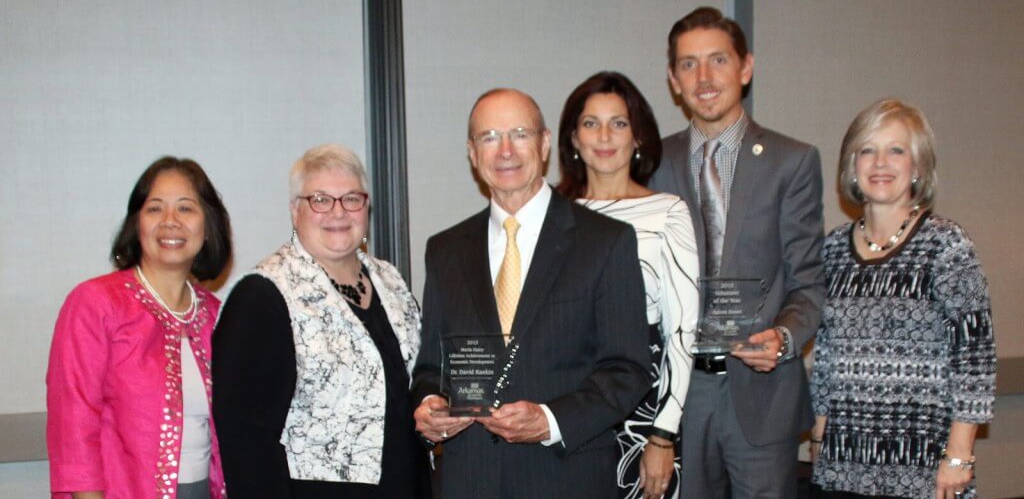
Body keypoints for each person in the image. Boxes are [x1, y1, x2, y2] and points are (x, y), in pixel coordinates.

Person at [411, 88, 650, 498]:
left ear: (543, 146)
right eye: (489, 137)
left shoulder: (605, 241)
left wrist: (550, 419)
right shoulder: (445, 249)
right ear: (472, 152)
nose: (505, 150)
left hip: (566, 477)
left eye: (519, 133)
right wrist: (430, 403)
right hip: (471, 480)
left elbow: (628, 369)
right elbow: (432, 366)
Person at [647, 7, 826, 498]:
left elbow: (808, 282)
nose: (704, 78)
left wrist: (785, 339)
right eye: (688, 64)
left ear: (745, 68)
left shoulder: (792, 162)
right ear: (673, 79)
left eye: (718, 60)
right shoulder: (649, 164)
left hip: (761, 394)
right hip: (681, 398)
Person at [212, 144, 429, 498]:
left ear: (367, 206)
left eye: (351, 199)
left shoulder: (391, 281)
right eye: (321, 200)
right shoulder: (263, 296)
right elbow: (244, 439)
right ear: (295, 210)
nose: (338, 212)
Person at [810, 99, 996, 499]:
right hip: (845, 463)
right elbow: (826, 351)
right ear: (851, 166)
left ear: (918, 167)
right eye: (868, 150)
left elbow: (975, 357)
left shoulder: (946, 245)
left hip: (925, 467)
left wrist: (959, 455)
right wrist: (820, 431)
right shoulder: (832, 250)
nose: (880, 163)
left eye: (896, 150)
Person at [47, 157, 232, 499]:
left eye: (186, 209)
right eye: (155, 209)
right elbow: (73, 424)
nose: (170, 222)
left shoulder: (217, 315)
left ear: (207, 228)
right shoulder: (96, 303)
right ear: (136, 224)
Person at [556, 71, 699, 499]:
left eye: (618, 123)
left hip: (642, 414)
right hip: (563, 410)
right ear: (573, 139)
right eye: (590, 123)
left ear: (638, 137)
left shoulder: (667, 212)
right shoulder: (550, 217)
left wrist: (663, 436)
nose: (604, 135)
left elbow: (681, 331)